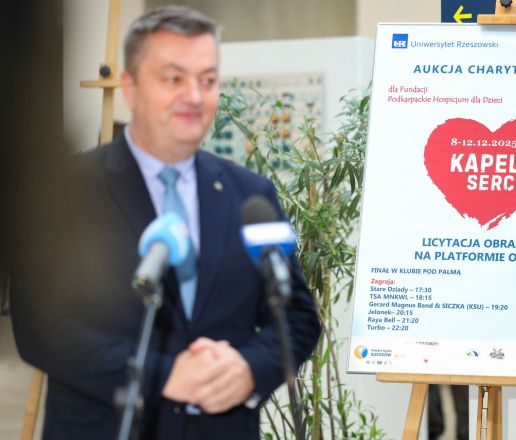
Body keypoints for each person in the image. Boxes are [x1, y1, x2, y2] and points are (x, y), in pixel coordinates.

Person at [10, 6, 321, 440]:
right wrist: (164, 374)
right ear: (131, 88)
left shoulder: (252, 197)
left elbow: (298, 317)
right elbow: (42, 328)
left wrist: (250, 368)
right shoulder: (66, 193)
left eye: (207, 80)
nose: (194, 96)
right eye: (174, 79)